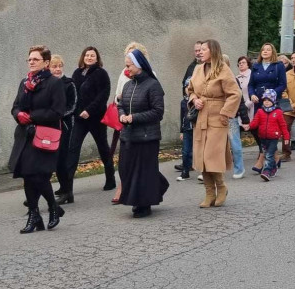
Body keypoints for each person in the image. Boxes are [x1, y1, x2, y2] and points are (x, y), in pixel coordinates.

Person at [8, 46, 67, 233]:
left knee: (38, 175)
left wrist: (32, 117)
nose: (31, 62)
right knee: (27, 174)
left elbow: (57, 111)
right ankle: (36, 215)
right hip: (25, 135)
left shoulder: (54, 83)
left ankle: (51, 209)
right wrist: (19, 115)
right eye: (30, 59)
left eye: (36, 59)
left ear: (46, 63)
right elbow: (15, 106)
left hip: (44, 136)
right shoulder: (25, 82)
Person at [186, 39, 242, 208]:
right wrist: (194, 100)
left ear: (213, 51)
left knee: (212, 155)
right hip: (201, 117)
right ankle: (209, 192)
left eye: (204, 49)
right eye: (199, 49)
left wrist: (225, 112)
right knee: (202, 155)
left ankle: (221, 187)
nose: (200, 52)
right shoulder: (197, 69)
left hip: (218, 117)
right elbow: (190, 90)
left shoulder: (223, 70)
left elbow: (235, 94)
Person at [116, 48, 169, 218]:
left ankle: (143, 204)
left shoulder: (153, 85)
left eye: (129, 65)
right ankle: (158, 185)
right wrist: (122, 115)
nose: (127, 69)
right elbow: (120, 105)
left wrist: (134, 118)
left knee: (143, 171)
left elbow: (157, 112)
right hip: (128, 135)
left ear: (139, 65)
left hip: (147, 137)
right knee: (125, 169)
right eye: (126, 66)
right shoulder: (128, 85)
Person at [65, 47, 116, 200]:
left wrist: (89, 110)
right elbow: (73, 94)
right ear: (83, 57)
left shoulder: (101, 73)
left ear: (96, 58)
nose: (89, 57)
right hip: (80, 119)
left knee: (103, 148)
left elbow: (103, 95)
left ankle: (110, 178)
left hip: (95, 118)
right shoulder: (76, 73)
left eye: (92, 55)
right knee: (72, 149)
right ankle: (68, 188)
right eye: (87, 55)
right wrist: (76, 111)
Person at [247, 43, 287, 174]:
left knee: (270, 129)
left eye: (268, 49)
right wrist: (252, 94)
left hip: (272, 102)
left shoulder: (278, 66)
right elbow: (251, 84)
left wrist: (271, 96)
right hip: (258, 101)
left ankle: (262, 158)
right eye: (263, 49)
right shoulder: (256, 66)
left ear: (273, 52)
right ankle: (274, 156)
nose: (265, 51)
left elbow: (282, 84)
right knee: (259, 129)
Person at [52, 55, 78, 204]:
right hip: (51, 126)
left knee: (63, 159)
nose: (57, 69)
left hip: (65, 126)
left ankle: (68, 191)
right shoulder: (48, 83)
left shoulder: (69, 84)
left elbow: (73, 105)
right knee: (54, 159)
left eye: (59, 66)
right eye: (54, 66)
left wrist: (58, 115)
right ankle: (63, 187)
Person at [247, 90, 289, 181]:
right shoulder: (260, 111)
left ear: (273, 101)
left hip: (273, 138)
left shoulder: (278, 112)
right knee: (267, 154)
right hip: (262, 137)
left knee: (269, 155)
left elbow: (283, 125)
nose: (266, 102)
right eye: (265, 100)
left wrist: (286, 136)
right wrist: (249, 126)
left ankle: (266, 172)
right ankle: (273, 168)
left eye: (269, 100)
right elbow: (255, 122)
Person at [175, 42, 202, 181]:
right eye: (196, 50)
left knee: (199, 147)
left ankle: (202, 169)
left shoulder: (207, 66)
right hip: (188, 111)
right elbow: (184, 85)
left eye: (200, 50)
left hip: (200, 112)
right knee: (186, 148)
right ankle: (186, 168)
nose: (198, 52)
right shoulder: (191, 67)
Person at [227, 56, 251, 179]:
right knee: (215, 146)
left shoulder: (233, 80)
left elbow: (240, 101)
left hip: (231, 117)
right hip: (217, 118)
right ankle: (212, 171)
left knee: (235, 144)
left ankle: (239, 168)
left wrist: (245, 120)